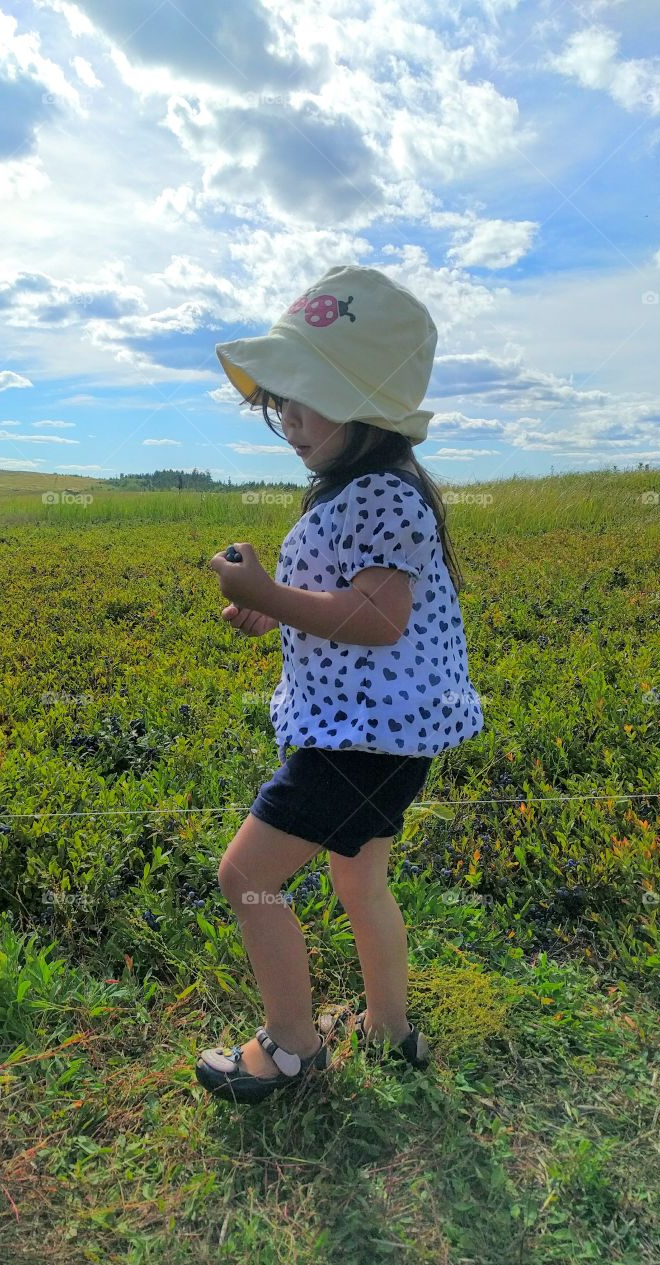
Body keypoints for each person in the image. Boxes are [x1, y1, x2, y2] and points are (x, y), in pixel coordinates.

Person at [198, 264, 485, 1104]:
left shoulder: (384, 495)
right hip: (379, 736)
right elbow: (343, 609)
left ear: (369, 408)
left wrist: (263, 591)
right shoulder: (362, 491)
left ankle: (291, 1047)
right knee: (360, 878)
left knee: (245, 877)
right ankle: (390, 1030)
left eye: (308, 397)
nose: (287, 417)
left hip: (361, 743)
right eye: (278, 398)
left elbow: (377, 618)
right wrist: (273, 611)